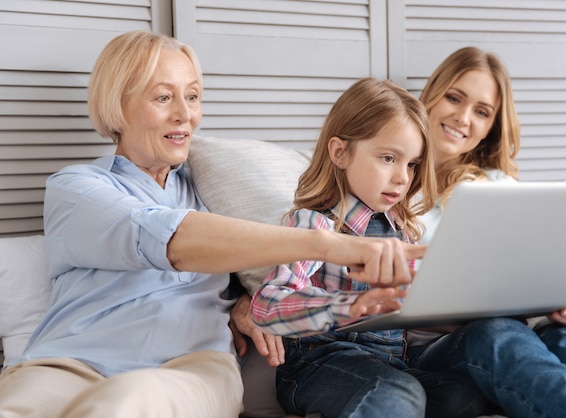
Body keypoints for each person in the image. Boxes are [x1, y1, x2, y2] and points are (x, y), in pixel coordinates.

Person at [0, 31, 425, 418]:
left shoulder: (213, 193)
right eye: (163, 98)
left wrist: (241, 301)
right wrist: (329, 245)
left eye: (193, 96)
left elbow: (259, 267)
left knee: (131, 402)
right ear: (119, 105)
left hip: (189, 367)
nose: (185, 115)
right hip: (67, 363)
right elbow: (170, 237)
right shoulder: (77, 189)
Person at [405, 46, 566, 417]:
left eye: (481, 111)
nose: (462, 118)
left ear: (491, 126)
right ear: (432, 95)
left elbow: (544, 266)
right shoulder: (390, 182)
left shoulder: (497, 186)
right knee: (494, 333)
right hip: (440, 345)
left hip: (518, 329)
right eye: (454, 98)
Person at [250, 76, 488, 418]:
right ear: (340, 152)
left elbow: (416, 307)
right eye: (388, 158)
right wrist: (349, 305)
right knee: (399, 393)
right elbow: (268, 305)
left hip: (389, 363)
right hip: (322, 362)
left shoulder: (402, 233)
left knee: (463, 394)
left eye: (411, 164)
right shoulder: (315, 224)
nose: (403, 178)